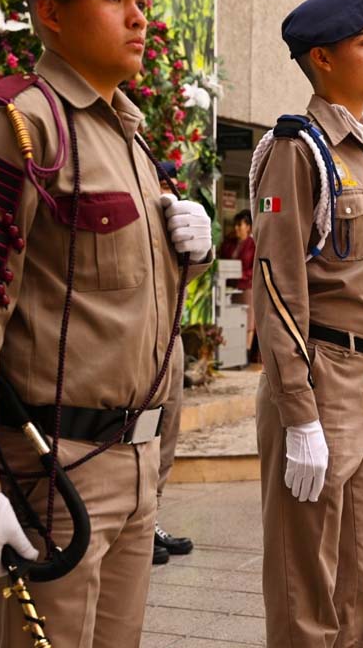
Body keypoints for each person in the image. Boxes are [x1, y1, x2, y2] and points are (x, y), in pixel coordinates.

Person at [0, 0, 213, 648]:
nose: (140, 17)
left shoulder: (131, 137)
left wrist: (190, 257)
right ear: (52, 13)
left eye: (140, 0)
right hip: (53, 469)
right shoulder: (18, 127)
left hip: (135, 463)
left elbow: (114, 297)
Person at [251, 0, 363, 646]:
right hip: (319, 378)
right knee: (304, 578)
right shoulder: (298, 147)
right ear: (323, 57)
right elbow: (278, 286)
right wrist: (299, 413)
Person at [154, 163, 194, 567]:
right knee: (143, 436)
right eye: (162, 183)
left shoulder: (177, 223)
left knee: (168, 431)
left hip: (173, 337)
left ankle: (152, 515)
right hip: (142, 341)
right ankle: (139, 519)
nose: (168, 191)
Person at [220, 209, 256, 354]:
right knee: (232, 318)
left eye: (240, 225)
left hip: (246, 287)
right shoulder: (230, 243)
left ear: (248, 227)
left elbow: (254, 268)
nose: (236, 228)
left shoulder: (252, 244)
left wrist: (241, 275)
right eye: (235, 225)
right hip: (231, 287)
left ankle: (246, 350)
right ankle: (233, 349)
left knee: (248, 319)